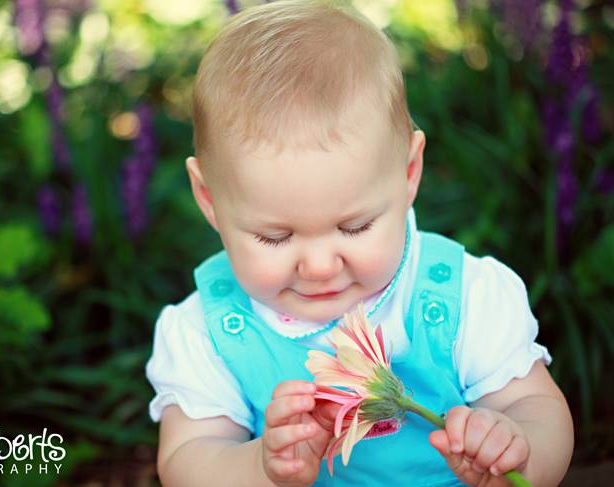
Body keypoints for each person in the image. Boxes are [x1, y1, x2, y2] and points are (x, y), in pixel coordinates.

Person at [145, 1, 574, 485]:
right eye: (274, 236)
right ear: (209, 199)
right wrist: (261, 466)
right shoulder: (207, 332)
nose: (321, 266)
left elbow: (536, 407)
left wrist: (519, 452)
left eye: (354, 227)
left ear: (409, 172)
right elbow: (188, 459)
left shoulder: (460, 298)